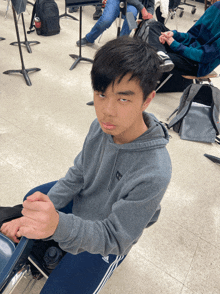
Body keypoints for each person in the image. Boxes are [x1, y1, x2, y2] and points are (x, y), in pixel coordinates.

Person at [0, 36, 172, 294]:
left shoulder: (155, 171)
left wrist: (57, 225)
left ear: (147, 100)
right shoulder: (100, 127)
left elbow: (115, 236)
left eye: (124, 99)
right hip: (86, 204)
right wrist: (31, 218)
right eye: (101, 94)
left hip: (110, 235)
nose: (107, 111)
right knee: (31, 200)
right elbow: (78, 174)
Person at [145, 1, 220, 77]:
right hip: (188, 48)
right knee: (153, 25)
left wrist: (175, 44)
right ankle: (161, 55)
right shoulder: (216, 6)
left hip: (198, 64)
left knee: (153, 59)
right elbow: (191, 35)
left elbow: (204, 56)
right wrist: (174, 34)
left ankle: (160, 56)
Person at [76, 0, 155, 46]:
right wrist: (142, 8)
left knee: (131, 17)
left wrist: (149, 13)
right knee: (106, 20)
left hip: (134, 5)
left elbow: (151, 4)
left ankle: (120, 45)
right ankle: (89, 38)